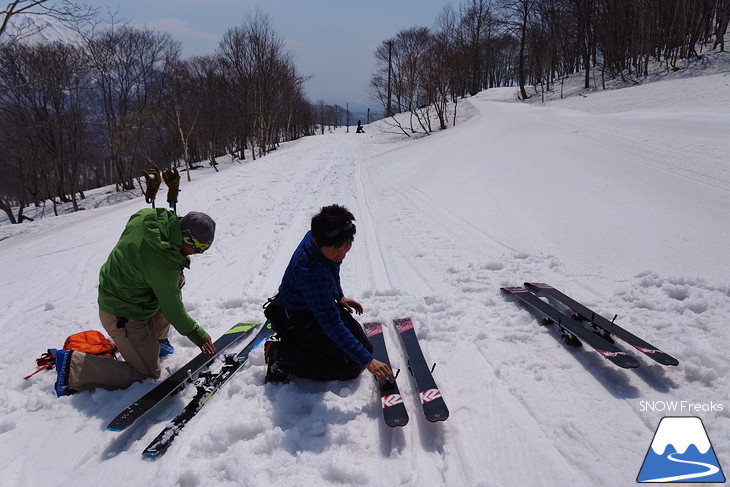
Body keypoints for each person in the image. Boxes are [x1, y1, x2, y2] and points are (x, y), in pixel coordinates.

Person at [50, 208, 217, 397]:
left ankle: (155, 342)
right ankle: (73, 367)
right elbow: (174, 311)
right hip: (122, 311)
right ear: (187, 238)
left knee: (171, 283)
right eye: (198, 249)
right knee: (147, 373)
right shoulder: (162, 261)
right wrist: (198, 335)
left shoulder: (148, 217)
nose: (196, 254)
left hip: (128, 292)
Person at [263, 204, 393, 384]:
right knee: (352, 365)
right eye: (336, 250)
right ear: (317, 241)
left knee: (365, 348)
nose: (341, 255)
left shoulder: (320, 238)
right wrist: (369, 362)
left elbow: (331, 270)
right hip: (298, 318)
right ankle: (281, 356)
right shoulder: (311, 272)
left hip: (314, 303)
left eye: (346, 246)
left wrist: (339, 296)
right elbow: (331, 324)